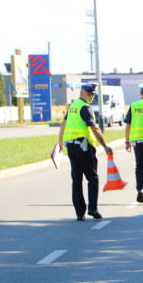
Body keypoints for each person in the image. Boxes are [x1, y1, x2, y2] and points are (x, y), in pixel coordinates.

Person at [57, 83, 113, 221]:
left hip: (71, 147)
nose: (91, 96)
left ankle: (79, 212)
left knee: (76, 179)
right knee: (92, 178)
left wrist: (60, 141)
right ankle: (92, 208)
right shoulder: (85, 108)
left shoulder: (73, 106)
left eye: (93, 94)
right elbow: (94, 128)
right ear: (82, 92)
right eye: (89, 93)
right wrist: (105, 146)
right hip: (84, 148)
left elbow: (64, 123)